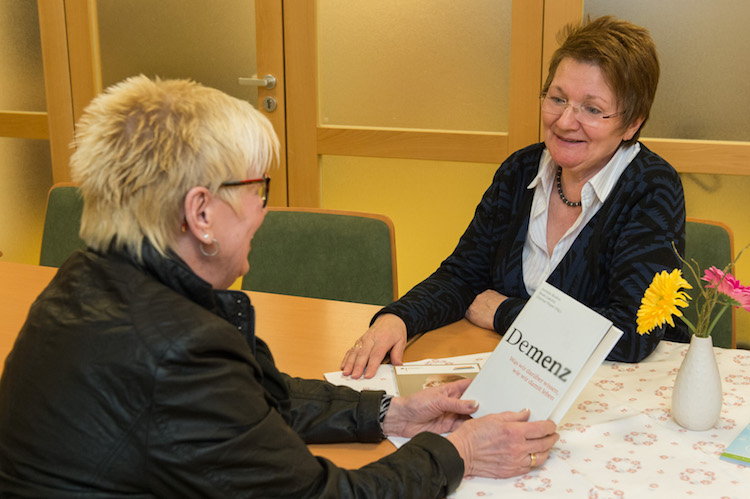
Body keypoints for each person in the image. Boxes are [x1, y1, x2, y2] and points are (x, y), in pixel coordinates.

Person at [0, 76, 558, 498]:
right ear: (201, 213)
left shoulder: (88, 283)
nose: (264, 211)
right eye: (256, 188)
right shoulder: (178, 352)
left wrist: (388, 414)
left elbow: (252, 404)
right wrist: (458, 451)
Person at [342, 15, 689, 380]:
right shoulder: (521, 170)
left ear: (632, 123)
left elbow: (631, 333)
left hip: (619, 391)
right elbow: (463, 275)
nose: (566, 121)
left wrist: (505, 313)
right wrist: (398, 318)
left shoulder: (652, 187)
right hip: (520, 377)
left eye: (592, 109)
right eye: (557, 99)